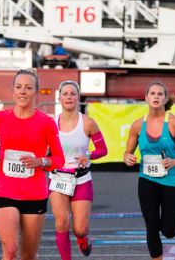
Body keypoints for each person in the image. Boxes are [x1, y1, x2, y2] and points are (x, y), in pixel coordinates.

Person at [0, 69, 65, 260]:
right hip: (5, 191)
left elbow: (59, 159)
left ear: (36, 92)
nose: (23, 91)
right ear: (13, 92)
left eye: (28, 87)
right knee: (10, 250)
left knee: (28, 255)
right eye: (18, 87)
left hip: (34, 194)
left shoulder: (46, 123)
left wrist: (41, 161)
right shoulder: (0, 118)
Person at [124, 81, 175, 260]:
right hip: (147, 180)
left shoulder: (174, 124)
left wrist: (174, 161)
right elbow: (127, 152)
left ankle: (168, 221)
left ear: (165, 99)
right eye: (152, 93)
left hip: (172, 181)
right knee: (151, 225)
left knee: (169, 231)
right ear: (146, 98)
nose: (156, 97)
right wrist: (128, 158)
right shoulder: (138, 126)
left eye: (159, 94)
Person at [49, 80, 108, 258]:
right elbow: (43, 152)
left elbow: (103, 150)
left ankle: (83, 239)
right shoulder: (51, 124)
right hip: (58, 178)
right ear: (59, 98)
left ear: (78, 98)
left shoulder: (88, 123)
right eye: (65, 94)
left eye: (72, 94)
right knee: (62, 224)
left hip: (81, 179)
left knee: (79, 229)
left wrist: (88, 155)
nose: (69, 97)